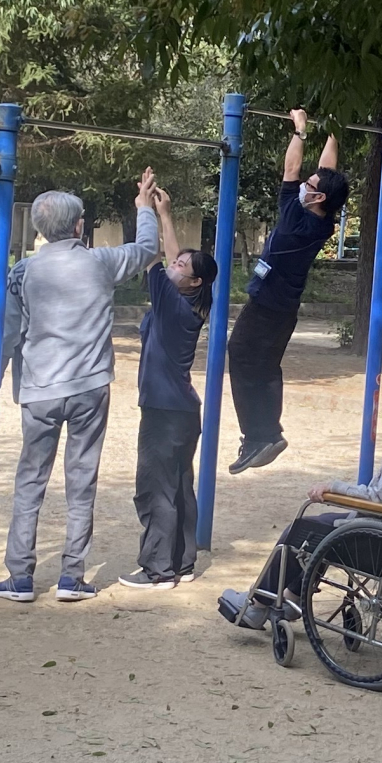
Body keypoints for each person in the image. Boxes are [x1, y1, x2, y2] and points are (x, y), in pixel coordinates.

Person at [0, 173, 160, 604]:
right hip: (89, 385)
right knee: (81, 480)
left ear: (38, 228)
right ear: (79, 226)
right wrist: (143, 207)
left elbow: (8, 334)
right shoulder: (99, 262)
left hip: (40, 387)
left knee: (30, 480)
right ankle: (72, 576)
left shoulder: (23, 271)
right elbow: (146, 249)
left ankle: (20, 576)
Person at [216, 380, 382, 629]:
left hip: (378, 543)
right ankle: (292, 598)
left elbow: (378, 498)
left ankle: (256, 604)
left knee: (300, 531)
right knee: (323, 528)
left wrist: (333, 487)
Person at [227, 110, 349, 472]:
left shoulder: (296, 217)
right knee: (265, 366)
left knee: (241, 355)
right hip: (284, 308)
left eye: (309, 186)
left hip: (266, 305)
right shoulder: (321, 222)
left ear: (317, 197)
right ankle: (267, 433)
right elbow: (325, 173)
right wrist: (333, 132)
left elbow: (291, 168)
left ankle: (258, 435)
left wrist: (300, 130)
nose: (302, 186)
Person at [120, 184, 218, 589]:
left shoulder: (171, 302)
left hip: (163, 412)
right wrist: (165, 214)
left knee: (154, 489)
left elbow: (151, 255)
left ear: (193, 282)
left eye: (180, 266)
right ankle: (182, 562)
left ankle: (158, 570)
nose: (173, 265)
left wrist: (143, 209)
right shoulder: (187, 302)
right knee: (178, 487)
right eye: (176, 263)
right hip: (181, 411)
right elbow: (176, 259)